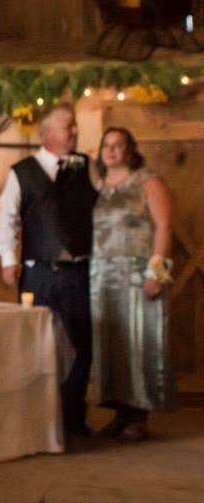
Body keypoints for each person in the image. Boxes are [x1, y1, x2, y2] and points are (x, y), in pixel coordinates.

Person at [0, 103, 98, 440]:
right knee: (40, 345)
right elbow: (7, 217)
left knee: (82, 346)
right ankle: (41, 420)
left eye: (76, 126)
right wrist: (8, 259)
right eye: (70, 126)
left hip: (81, 272)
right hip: (38, 272)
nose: (76, 132)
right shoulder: (22, 171)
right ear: (47, 133)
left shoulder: (86, 167)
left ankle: (73, 419)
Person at [91, 127, 175, 442]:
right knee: (113, 343)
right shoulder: (98, 187)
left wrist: (157, 270)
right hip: (102, 275)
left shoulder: (146, 181)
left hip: (138, 273)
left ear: (129, 150)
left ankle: (139, 415)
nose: (111, 151)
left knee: (140, 342)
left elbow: (164, 225)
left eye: (118, 145)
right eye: (106, 146)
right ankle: (120, 412)